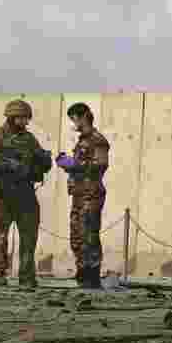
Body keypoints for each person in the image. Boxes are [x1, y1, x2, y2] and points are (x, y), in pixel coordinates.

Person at [0, 100, 52, 290]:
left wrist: (43, 160)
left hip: (25, 195)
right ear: (12, 117)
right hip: (1, 195)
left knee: (29, 237)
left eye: (27, 118)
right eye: (23, 118)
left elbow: (43, 161)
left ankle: (26, 277)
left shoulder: (29, 139)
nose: (26, 122)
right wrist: (10, 165)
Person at [56, 102, 109, 289]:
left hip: (91, 195)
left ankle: (92, 277)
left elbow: (100, 165)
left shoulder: (98, 140)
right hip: (79, 195)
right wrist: (67, 164)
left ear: (83, 116)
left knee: (89, 236)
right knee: (77, 237)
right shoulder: (82, 141)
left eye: (74, 118)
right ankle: (82, 274)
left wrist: (74, 164)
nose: (73, 123)